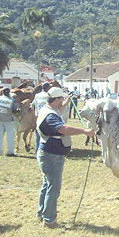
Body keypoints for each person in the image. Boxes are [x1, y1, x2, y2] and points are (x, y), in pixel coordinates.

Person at [36, 87, 95, 229]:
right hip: (52, 155)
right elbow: (63, 129)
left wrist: (67, 102)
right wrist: (84, 131)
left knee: (47, 185)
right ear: (56, 100)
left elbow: (59, 111)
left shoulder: (48, 110)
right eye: (61, 99)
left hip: (49, 153)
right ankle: (49, 220)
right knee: (53, 188)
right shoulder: (50, 116)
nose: (62, 101)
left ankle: (42, 213)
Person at [0, 87, 18, 156]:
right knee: (10, 136)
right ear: (8, 93)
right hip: (8, 120)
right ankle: (10, 151)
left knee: (0, 136)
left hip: (0, 119)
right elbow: (14, 110)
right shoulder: (11, 101)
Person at [32, 82, 51, 152]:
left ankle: (38, 150)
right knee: (47, 135)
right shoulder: (48, 96)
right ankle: (46, 150)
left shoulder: (37, 95)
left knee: (38, 135)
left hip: (39, 117)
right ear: (47, 88)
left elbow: (33, 105)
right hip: (47, 117)